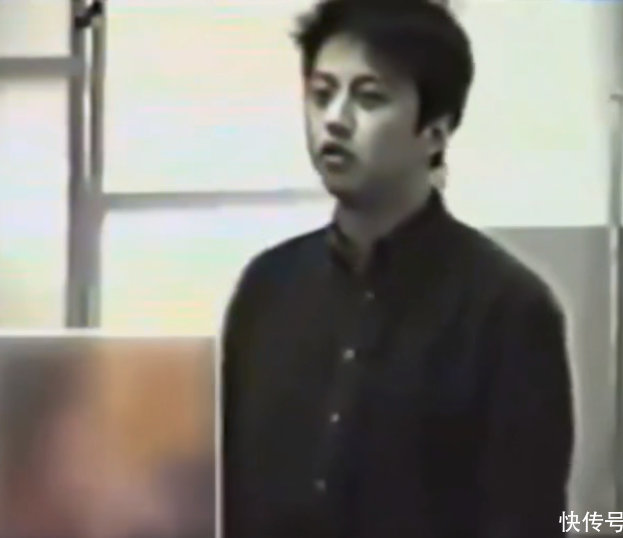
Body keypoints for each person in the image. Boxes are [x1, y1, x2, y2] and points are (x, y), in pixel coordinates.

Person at [222, 0, 575, 537]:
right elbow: (228, 493)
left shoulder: (508, 309)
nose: (335, 119)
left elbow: (524, 519)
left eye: (369, 97)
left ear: (435, 131)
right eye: (321, 94)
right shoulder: (266, 288)